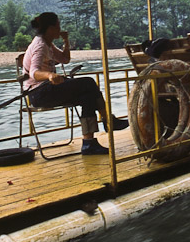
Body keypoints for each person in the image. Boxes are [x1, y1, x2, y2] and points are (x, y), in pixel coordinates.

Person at [22, 12, 128, 155]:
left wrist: (66, 41)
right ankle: (109, 120)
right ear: (50, 28)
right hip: (39, 93)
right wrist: (49, 75)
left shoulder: (48, 44)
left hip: (48, 89)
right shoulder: (40, 45)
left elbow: (65, 59)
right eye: (58, 25)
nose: (60, 28)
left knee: (87, 96)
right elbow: (34, 72)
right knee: (89, 82)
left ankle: (89, 143)